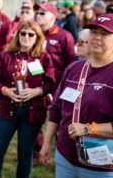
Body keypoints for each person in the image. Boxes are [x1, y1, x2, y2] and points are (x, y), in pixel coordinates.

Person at [40, 14, 113, 177]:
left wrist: (88, 129)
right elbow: (56, 108)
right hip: (65, 157)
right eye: (94, 32)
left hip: (100, 165)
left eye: (105, 34)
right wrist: (46, 143)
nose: (97, 38)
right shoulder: (74, 69)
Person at [0, 21, 55, 178]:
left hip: (31, 113)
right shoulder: (5, 56)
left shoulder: (43, 57)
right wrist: (6, 91)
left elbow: (51, 83)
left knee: (25, 156)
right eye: (23, 33)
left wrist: (37, 91)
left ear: (37, 37)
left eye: (31, 34)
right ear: (18, 35)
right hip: (7, 111)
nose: (26, 37)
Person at [34, 3, 75, 83]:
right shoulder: (32, 34)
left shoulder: (65, 36)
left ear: (53, 16)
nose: (38, 15)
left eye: (42, 13)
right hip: (37, 84)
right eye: (37, 13)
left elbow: (71, 63)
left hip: (57, 84)